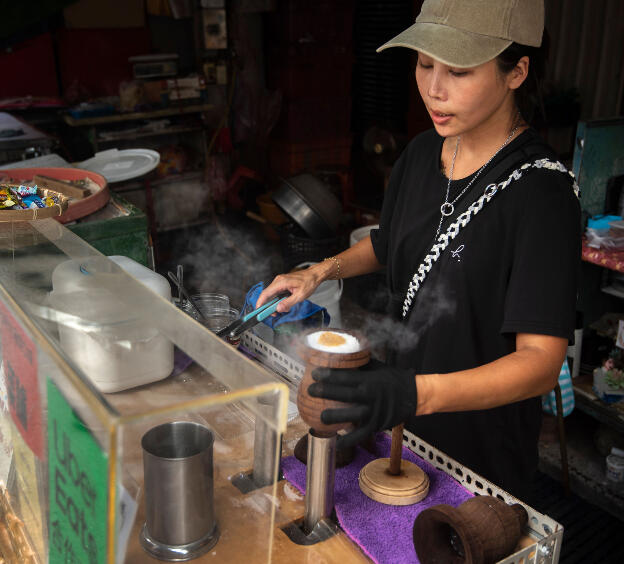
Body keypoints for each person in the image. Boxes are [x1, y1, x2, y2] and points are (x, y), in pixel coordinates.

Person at [257, 0, 581, 500]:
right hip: (403, 432)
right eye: (425, 63)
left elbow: (539, 362)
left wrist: (416, 392)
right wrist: (319, 273)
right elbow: (389, 246)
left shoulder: (543, 195)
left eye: (458, 70)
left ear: (516, 71)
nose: (434, 88)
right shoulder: (422, 151)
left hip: (479, 459)